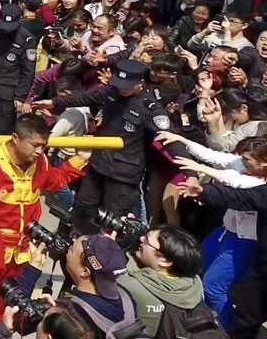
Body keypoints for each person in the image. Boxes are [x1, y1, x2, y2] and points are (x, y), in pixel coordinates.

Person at [0, 115, 90, 337]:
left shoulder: (40, 163)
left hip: (20, 251)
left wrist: (80, 159)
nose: (40, 151)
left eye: (44, 146)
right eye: (35, 145)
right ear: (15, 138)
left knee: (5, 303)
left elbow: (56, 180)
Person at [40, 60, 186, 233]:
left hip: (123, 175)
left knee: (112, 221)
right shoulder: (112, 93)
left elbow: (169, 139)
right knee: (83, 209)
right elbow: (85, 97)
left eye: (125, 85)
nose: (120, 89)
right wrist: (54, 102)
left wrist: (190, 173)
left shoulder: (150, 108)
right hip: (98, 165)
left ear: (140, 84)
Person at [116, 225, 204, 338]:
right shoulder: (195, 282)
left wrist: (111, 247)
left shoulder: (133, 286)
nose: (141, 239)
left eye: (147, 240)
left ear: (164, 261)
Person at [0, 0, 44, 136]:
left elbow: (28, 72)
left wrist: (20, 96)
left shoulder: (27, 39)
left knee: (3, 129)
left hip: (7, 93)